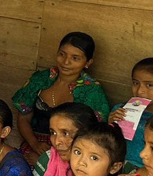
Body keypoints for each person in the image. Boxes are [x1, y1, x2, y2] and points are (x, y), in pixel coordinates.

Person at [13, 32, 110, 165]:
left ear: (88, 62)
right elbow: (23, 118)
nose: (66, 62)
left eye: (75, 58)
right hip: (33, 146)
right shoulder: (41, 79)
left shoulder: (92, 92)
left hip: (71, 155)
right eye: (62, 54)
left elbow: (93, 135)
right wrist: (35, 144)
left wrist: (50, 159)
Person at [108, 57, 153, 168]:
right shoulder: (120, 110)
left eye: (149, 85)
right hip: (114, 168)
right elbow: (105, 145)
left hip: (148, 173)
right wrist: (110, 126)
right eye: (136, 83)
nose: (140, 91)